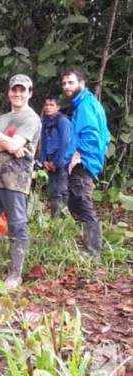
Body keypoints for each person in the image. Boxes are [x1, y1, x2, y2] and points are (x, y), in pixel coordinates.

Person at [0, 74, 41, 288]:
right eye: (14, 90)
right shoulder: (3, 118)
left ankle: (15, 274)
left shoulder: (31, 118)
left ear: (29, 93)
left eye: (22, 90)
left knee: (17, 224)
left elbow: (12, 146)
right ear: (9, 92)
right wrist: (11, 143)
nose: (17, 94)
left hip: (16, 180)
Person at [61, 68, 110, 259]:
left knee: (82, 202)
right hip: (89, 160)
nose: (66, 86)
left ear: (81, 83)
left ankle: (93, 251)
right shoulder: (87, 103)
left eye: (70, 82)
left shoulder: (85, 105)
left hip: (83, 161)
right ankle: (87, 246)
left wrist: (79, 155)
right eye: (64, 83)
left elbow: (91, 134)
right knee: (76, 202)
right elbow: (105, 136)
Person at [39, 96, 72, 217]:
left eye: (51, 105)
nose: (48, 107)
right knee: (53, 190)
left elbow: (65, 143)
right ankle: (56, 218)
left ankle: (61, 220)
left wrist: (56, 162)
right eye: (46, 105)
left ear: (58, 107)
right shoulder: (45, 121)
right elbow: (43, 141)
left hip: (61, 161)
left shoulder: (63, 121)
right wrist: (44, 161)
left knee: (61, 190)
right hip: (49, 160)